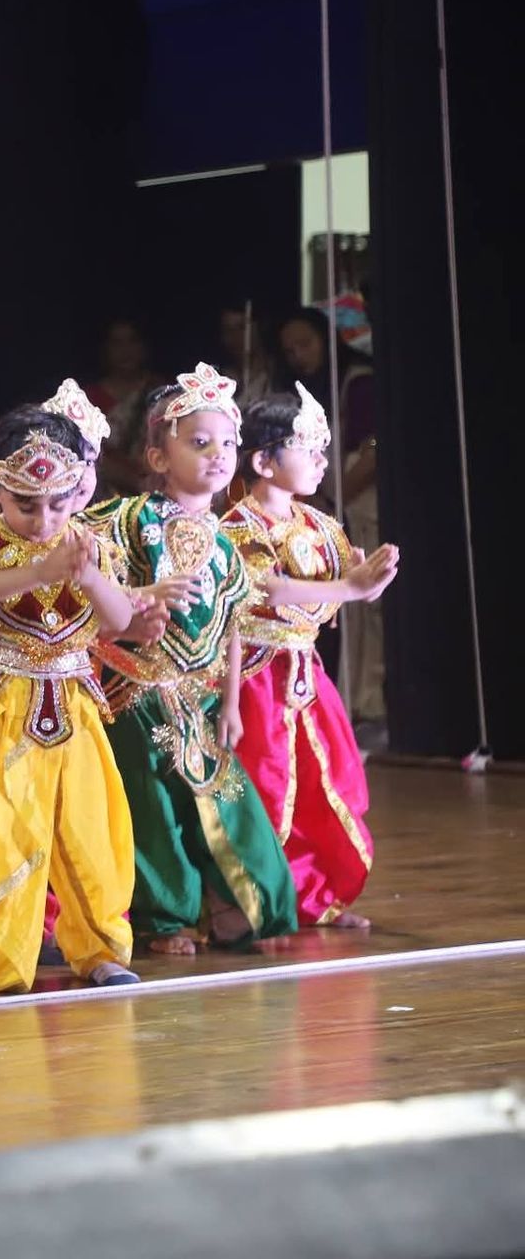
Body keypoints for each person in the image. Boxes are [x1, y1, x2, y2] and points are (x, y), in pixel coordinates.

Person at [0, 407, 139, 992]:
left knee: (89, 830)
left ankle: (100, 951)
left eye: (59, 504)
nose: (44, 519)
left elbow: (119, 621)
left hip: (72, 705)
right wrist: (39, 569)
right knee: (1, 831)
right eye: (26, 504)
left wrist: (89, 578)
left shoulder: (86, 544)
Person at [83, 364, 299, 955]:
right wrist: (132, 611)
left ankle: (240, 908)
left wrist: (230, 702)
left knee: (229, 801)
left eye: (227, 442)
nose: (218, 455)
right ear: (157, 457)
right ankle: (165, 919)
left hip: (198, 698)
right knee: (150, 814)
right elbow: (85, 591)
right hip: (132, 693)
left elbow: (233, 623)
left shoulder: (227, 543)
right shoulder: (126, 521)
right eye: (198, 443)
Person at [221, 387, 398, 929]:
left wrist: (370, 583)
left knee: (324, 789)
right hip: (255, 676)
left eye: (324, 447)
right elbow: (268, 590)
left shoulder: (321, 525)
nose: (323, 460)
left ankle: (312, 897)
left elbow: (350, 585)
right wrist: (350, 587)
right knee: (265, 784)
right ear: (262, 461)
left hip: (306, 675)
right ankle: (249, 902)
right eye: (309, 447)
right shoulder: (236, 529)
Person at [277, 307, 384, 733]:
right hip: (333, 505)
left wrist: (338, 495)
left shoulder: (356, 381)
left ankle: (372, 697)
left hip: (360, 504)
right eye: (290, 350)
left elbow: (372, 448)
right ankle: (355, 695)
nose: (299, 355)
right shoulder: (310, 389)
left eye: (305, 343)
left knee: (369, 609)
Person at [82, 318, 162, 496]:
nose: (125, 351)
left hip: (156, 490)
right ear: (105, 349)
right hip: (104, 495)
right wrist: (134, 481)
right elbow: (88, 455)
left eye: (132, 341)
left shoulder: (161, 392)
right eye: (117, 343)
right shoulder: (89, 399)